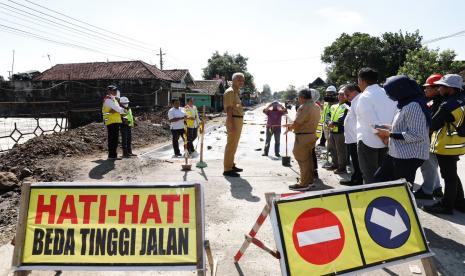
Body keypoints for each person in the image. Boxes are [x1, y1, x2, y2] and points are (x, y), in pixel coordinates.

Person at [373, 75, 430, 185]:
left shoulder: (413, 106)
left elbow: (418, 135)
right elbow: (404, 126)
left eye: (390, 92)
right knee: (381, 179)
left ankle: (404, 202)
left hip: (409, 155)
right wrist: (387, 127)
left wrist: (389, 134)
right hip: (398, 152)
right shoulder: (404, 103)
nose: (389, 96)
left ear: (400, 90)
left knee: (402, 188)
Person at [423, 74, 465, 214]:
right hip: (457, 143)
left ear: (451, 89)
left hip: (446, 145)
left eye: (442, 86)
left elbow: (432, 125)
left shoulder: (447, 106)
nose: (439, 88)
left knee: (449, 177)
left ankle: (446, 206)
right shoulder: (461, 100)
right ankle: (459, 203)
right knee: (452, 175)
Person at [355, 68, 397, 184]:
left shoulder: (365, 96)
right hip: (387, 140)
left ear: (362, 80)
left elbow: (371, 121)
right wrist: (387, 137)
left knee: (370, 175)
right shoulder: (388, 94)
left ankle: (371, 200)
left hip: (369, 141)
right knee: (383, 175)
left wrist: (383, 137)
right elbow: (395, 116)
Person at [415, 74, 444, 199]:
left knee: (428, 165)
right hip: (431, 137)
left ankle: (427, 191)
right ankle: (436, 188)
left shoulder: (439, 102)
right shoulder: (432, 100)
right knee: (431, 165)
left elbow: (433, 122)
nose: (425, 89)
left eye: (429, 87)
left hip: (431, 138)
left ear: (437, 88)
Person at [286, 89, 320, 191]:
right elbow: (305, 121)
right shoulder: (316, 106)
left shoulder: (304, 107)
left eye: (298, 97)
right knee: (308, 159)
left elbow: (298, 122)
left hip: (303, 136)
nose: (298, 99)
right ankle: (309, 180)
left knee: (302, 159)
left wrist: (290, 127)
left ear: (302, 97)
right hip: (311, 134)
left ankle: (303, 183)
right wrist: (291, 125)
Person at [340, 84, 363, 185]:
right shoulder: (354, 101)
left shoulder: (359, 101)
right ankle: (355, 178)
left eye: (347, 94)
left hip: (355, 139)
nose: (345, 97)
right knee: (355, 162)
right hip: (352, 138)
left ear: (354, 92)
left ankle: (357, 180)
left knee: (357, 162)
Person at [223, 72, 245, 177]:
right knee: (231, 144)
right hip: (233, 120)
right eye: (239, 80)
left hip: (238, 120)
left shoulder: (236, 92)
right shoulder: (230, 91)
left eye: (242, 80)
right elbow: (229, 108)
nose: (241, 82)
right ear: (233, 80)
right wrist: (230, 123)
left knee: (234, 145)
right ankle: (227, 169)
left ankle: (231, 164)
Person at [327, 87, 349, 173]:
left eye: (343, 94)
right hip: (332, 131)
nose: (341, 96)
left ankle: (342, 167)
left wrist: (334, 123)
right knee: (332, 149)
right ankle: (335, 164)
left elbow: (344, 118)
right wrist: (328, 121)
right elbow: (328, 115)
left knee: (341, 150)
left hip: (341, 131)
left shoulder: (347, 106)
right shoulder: (333, 106)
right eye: (339, 94)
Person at [102, 85, 126, 160]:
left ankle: (113, 155)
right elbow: (118, 109)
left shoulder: (113, 99)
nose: (115, 91)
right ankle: (112, 156)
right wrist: (123, 109)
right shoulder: (108, 99)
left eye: (116, 90)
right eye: (113, 90)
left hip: (114, 121)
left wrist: (118, 109)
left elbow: (116, 109)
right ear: (109, 91)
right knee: (112, 139)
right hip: (111, 121)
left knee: (114, 139)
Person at [321, 85, 338, 166]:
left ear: (335, 94)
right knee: (328, 143)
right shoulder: (326, 103)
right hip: (325, 125)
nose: (328, 95)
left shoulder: (336, 103)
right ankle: (331, 158)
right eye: (327, 93)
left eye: (330, 93)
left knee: (332, 145)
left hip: (332, 126)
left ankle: (334, 161)